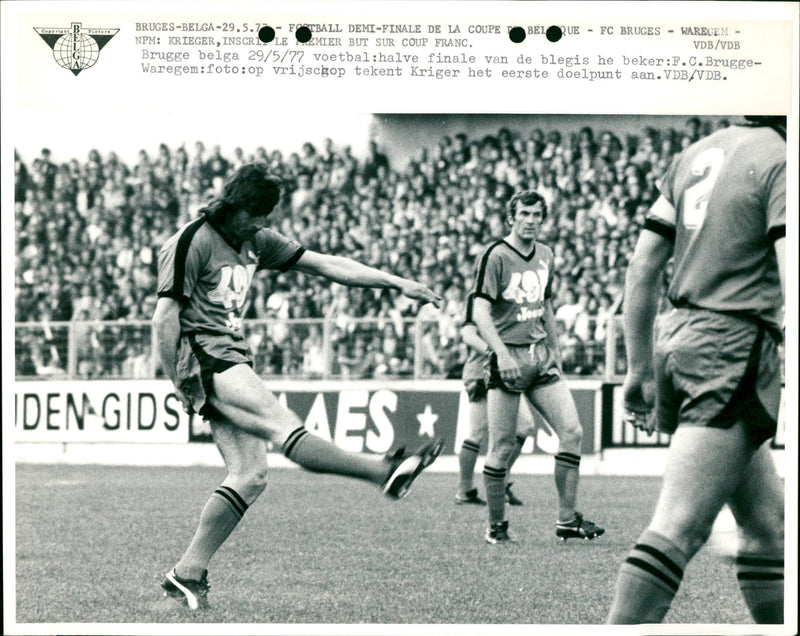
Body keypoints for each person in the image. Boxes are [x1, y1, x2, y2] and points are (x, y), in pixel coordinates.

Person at [153, 163, 444, 610]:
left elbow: (325, 264)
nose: (264, 223)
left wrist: (396, 282)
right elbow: (164, 318)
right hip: (205, 358)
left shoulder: (256, 241)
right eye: (259, 214)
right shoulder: (192, 240)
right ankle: (382, 472)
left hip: (228, 357)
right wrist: (178, 382)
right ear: (237, 205)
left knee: (250, 475)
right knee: (284, 425)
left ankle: (186, 574)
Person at [607, 116, 786, 624]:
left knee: (768, 525)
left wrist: (638, 368)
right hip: (730, 347)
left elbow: (643, 265)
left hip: (679, 340)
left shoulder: (696, 153)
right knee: (680, 524)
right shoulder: (780, 161)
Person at [471, 189, 604, 544]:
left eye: (537, 215)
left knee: (573, 432)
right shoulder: (496, 255)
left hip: (540, 357)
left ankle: (567, 520)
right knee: (501, 445)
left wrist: (556, 349)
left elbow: (545, 303)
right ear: (511, 217)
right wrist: (499, 353)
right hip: (509, 357)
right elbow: (479, 311)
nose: (531, 221)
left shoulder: (546, 254)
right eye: (525, 214)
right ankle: (496, 527)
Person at [455, 293, 535, 507]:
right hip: (481, 372)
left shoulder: (512, 295)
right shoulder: (477, 296)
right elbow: (469, 335)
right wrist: (497, 353)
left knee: (524, 426)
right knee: (477, 432)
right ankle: (465, 490)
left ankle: (503, 480)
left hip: (505, 371)